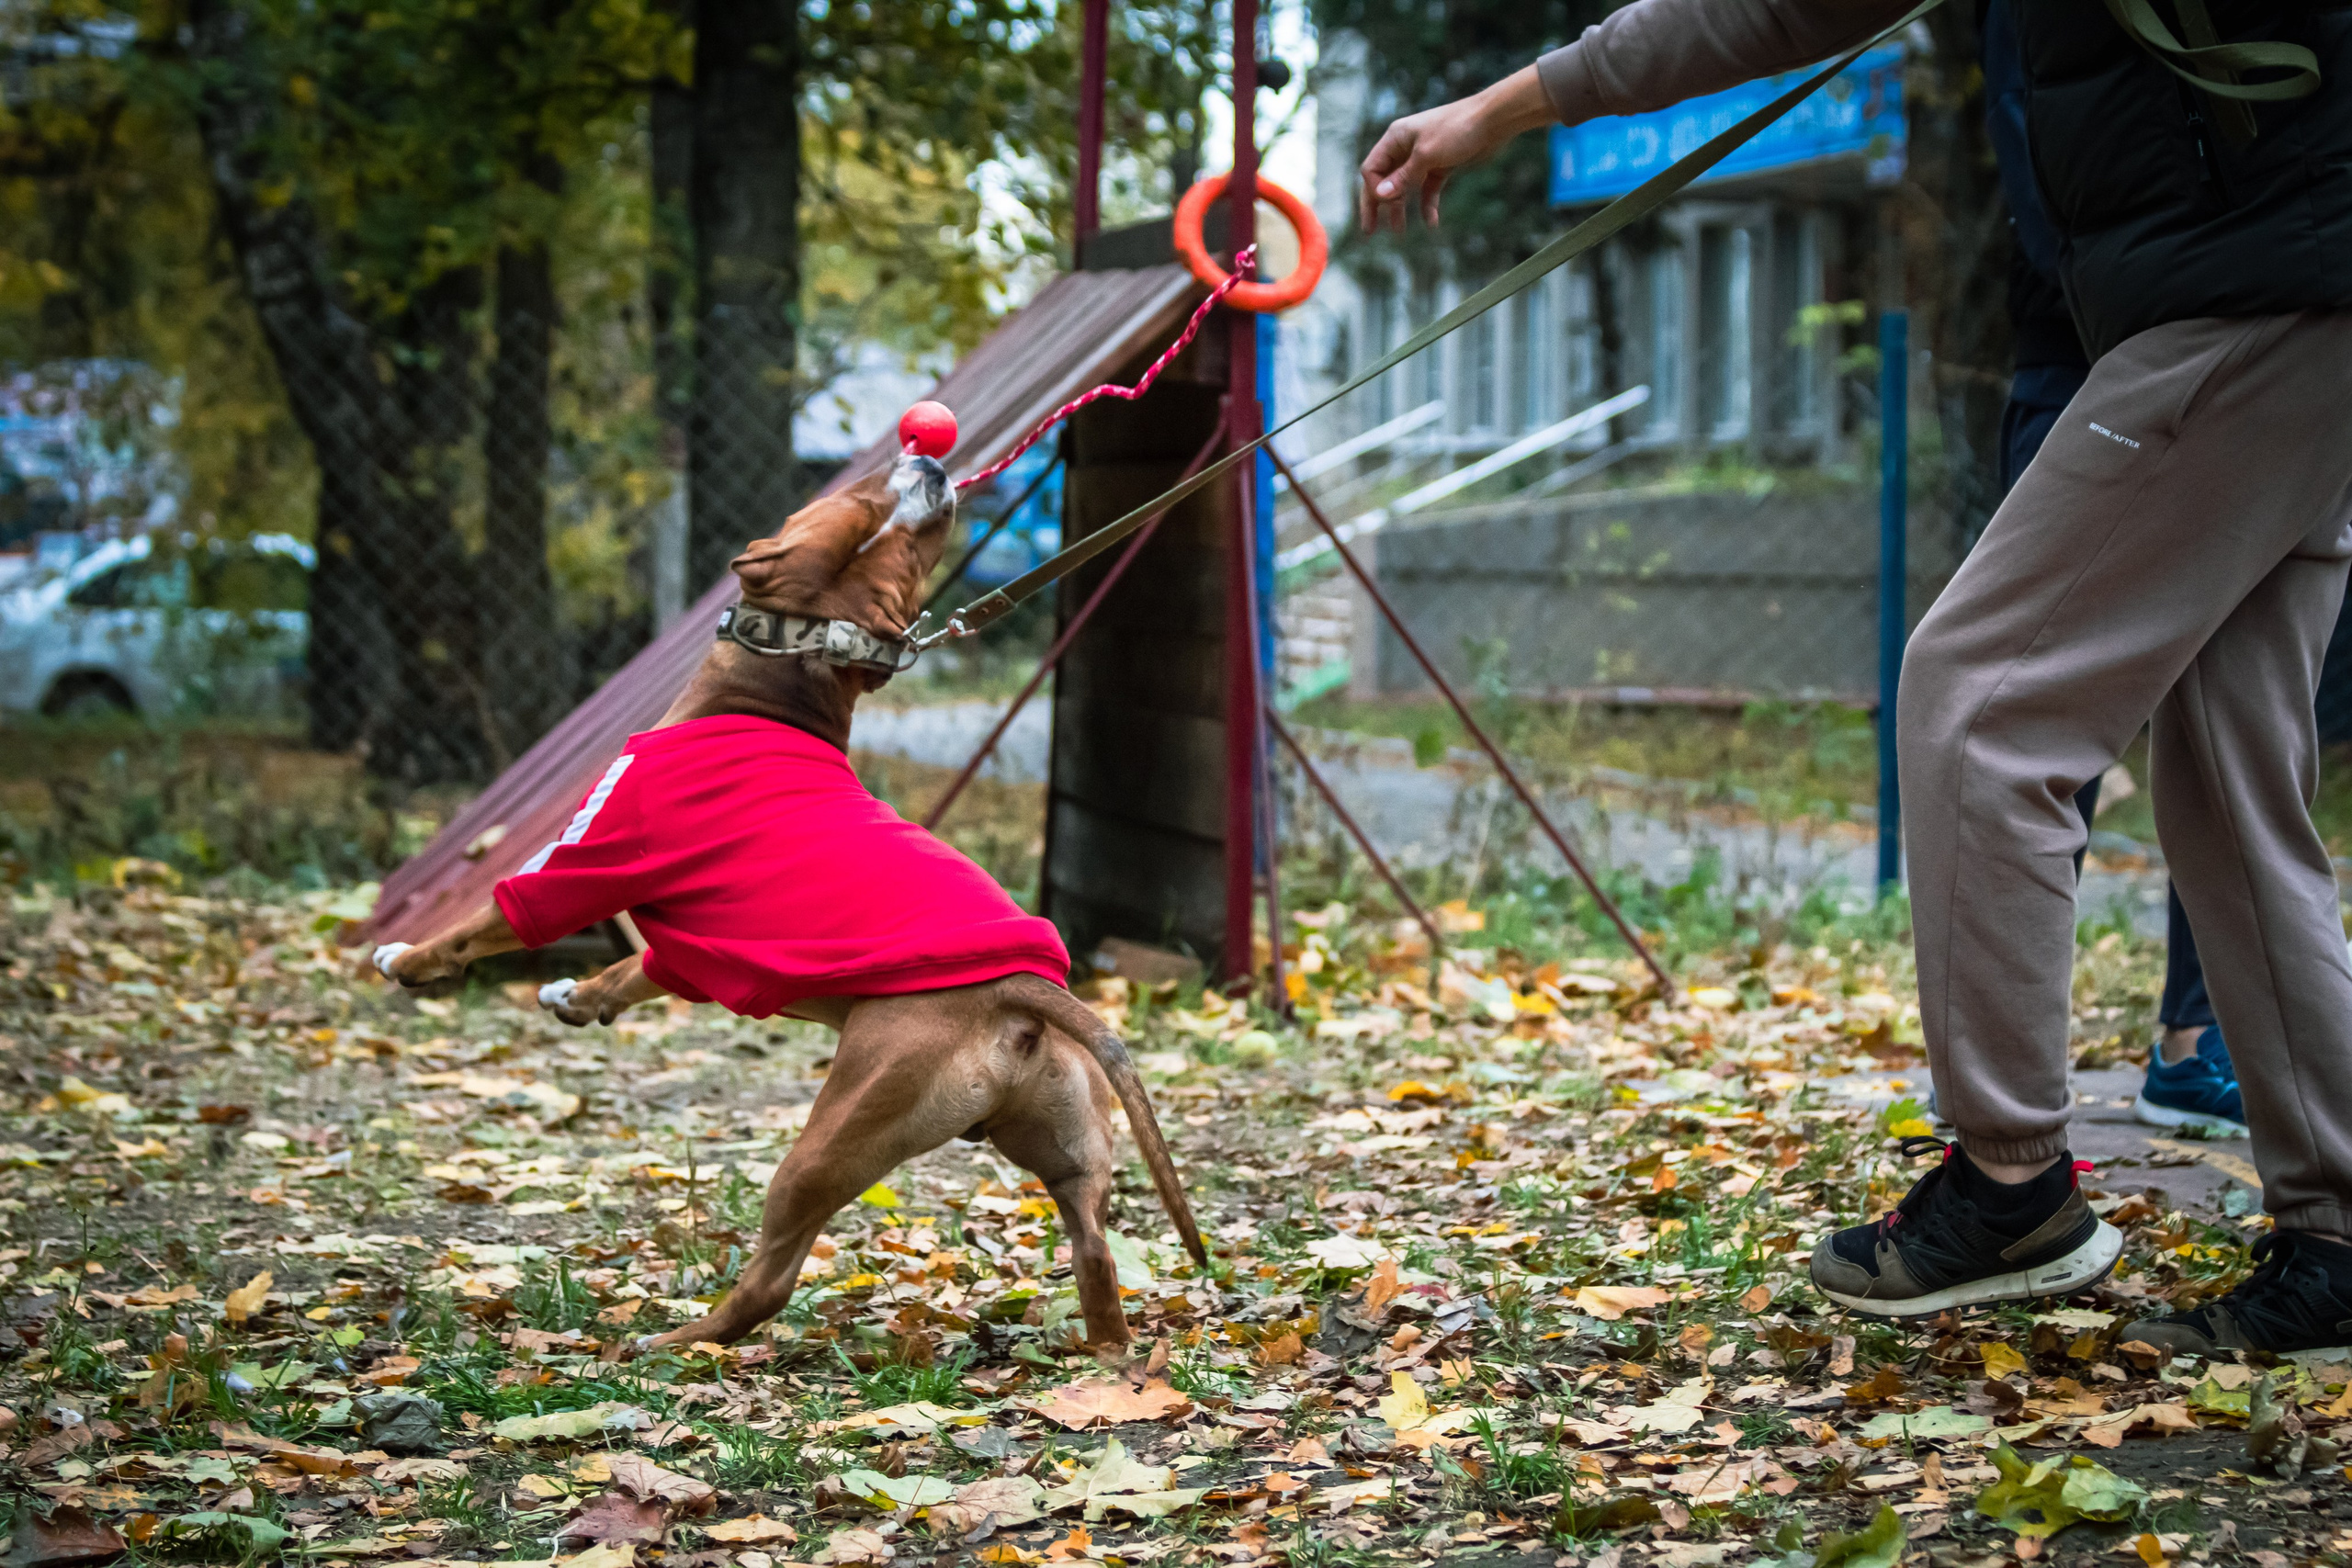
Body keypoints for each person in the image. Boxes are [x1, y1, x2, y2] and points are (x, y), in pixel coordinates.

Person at [1359, 0, 2352, 1352]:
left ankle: (2012, 1185)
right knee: (2232, 778)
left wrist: (1503, 106)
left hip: (2252, 287)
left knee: (1980, 705)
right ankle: (2337, 1233)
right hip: (2272, 287)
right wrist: (1510, 106)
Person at [1977, 0, 2244, 1141]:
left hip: (2229, 359)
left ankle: (2193, 1045)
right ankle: (2000, 1080)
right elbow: (2031, 126)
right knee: (2027, 717)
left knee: (2228, 726)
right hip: (2085, 356)